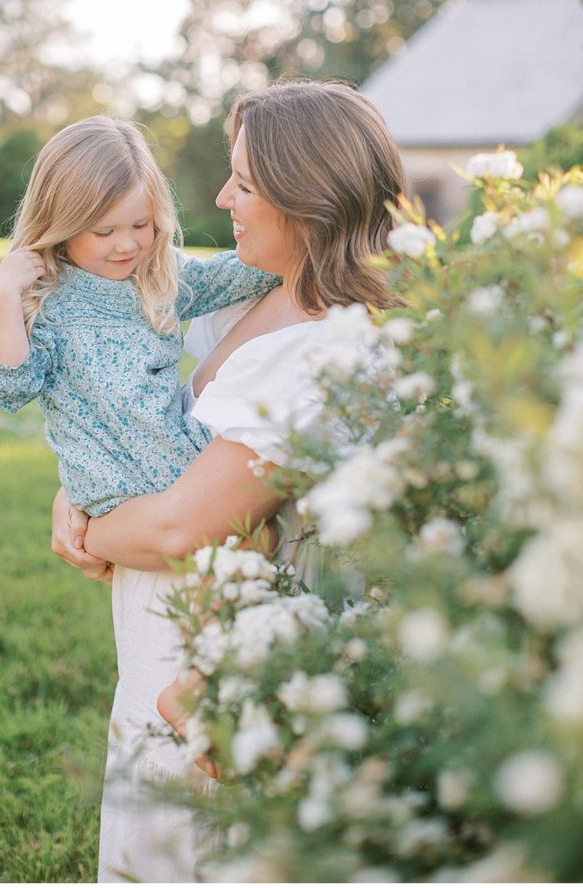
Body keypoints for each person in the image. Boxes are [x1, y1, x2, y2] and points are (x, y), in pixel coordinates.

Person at [51, 80, 406, 882]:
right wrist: (75, 488)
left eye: (244, 182)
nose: (222, 198)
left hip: (214, 670)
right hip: (158, 637)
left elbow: (183, 527)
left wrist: (87, 529)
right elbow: (147, 426)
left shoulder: (328, 349)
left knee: (192, 854)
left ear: (307, 196)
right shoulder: (261, 301)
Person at [0, 115, 279, 538]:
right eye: (104, 231)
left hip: (183, 463)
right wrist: (4, 297)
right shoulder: (49, 300)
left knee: (262, 542)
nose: (127, 244)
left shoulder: (158, 274)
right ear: (61, 227)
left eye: (141, 225)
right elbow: (9, 389)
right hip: (114, 495)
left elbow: (233, 276)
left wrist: (304, 243)